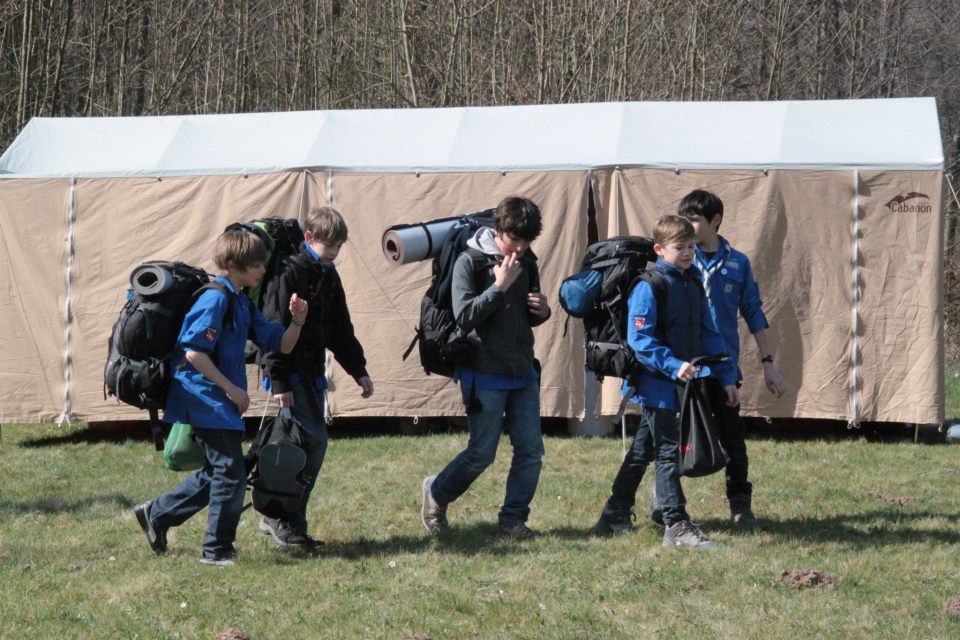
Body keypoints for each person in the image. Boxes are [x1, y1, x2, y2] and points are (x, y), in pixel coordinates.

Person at [134, 228, 308, 567]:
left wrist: (297, 321)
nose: (261, 271)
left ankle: (156, 514)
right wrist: (231, 388)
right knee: (231, 472)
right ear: (232, 266)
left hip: (219, 402)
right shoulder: (215, 299)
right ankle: (216, 550)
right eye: (255, 266)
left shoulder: (241, 301)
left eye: (262, 264)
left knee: (218, 471)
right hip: (203, 398)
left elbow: (281, 343)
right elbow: (194, 353)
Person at [594, 215, 738, 549]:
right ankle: (676, 524)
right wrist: (673, 365)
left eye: (691, 246)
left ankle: (614, 513)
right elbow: (640, 340)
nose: (688, 253)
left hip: (683, 384)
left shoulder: (692, 282)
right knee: (669, 453)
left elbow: (709, 333)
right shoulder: (649, 287)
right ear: (659, 250)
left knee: (643, 450)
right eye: (680, 247)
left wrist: (726, 376)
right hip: (656, 385)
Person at [420, 196, 552, 540]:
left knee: (531, 451)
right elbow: (464, 316)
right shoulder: (469, 261)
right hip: (483, 372)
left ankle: (513, 521)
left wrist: (542, 310)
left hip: (522, 371)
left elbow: (523, 317)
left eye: (527, 241)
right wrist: (498, 286)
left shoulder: (527, 261)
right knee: (482, 454)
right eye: (514, 239)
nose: (520, 248)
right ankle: (436, 492)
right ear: (497, 229)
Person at [257, 206, 374, 548]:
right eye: (329, 245)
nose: (335, 252)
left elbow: (340, 329)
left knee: (302, 448)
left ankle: (286, 520)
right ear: (309, 237)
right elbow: (274, 328)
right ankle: (281, 518)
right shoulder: (288, 273)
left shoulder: (328, 275)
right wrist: (279, 381)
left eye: (339, 245)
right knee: (311, 444)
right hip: (290, 373)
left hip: (311, 374)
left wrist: (359, 370)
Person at [677, 189, 786, 526]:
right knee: (675, 438)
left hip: (723, 368)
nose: (688, 226)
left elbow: (754, 313)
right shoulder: (681, 258)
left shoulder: (738, 263)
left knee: (733, 439)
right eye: (684, 219)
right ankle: (668, 502)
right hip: (685, 367)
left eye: (695, 220)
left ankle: (740, 505)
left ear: (716, 221)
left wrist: (769, 365)